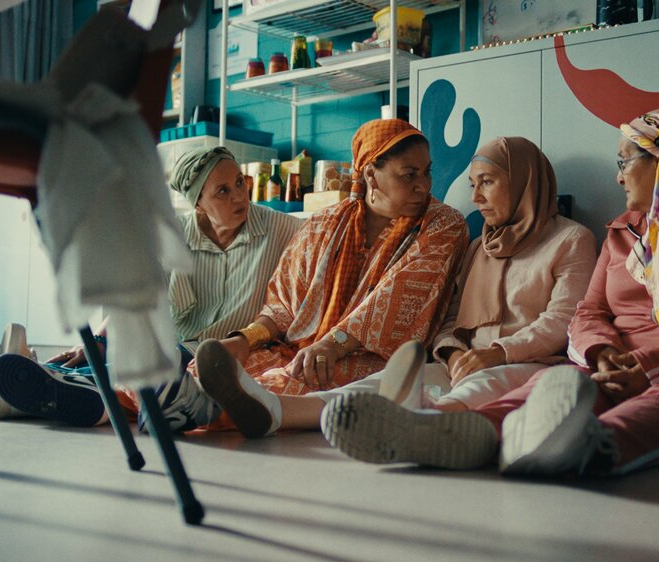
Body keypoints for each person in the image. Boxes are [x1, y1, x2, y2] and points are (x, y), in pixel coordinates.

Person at [320, 108, 659, 474]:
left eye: (625, 161)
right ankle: (446, 433)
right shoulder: (623, 232)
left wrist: (652, 367)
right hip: (618, 368)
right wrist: (602, 356)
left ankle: (582, 447)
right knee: (548, 388)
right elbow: (587, 314)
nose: (617, 176)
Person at [193, 136, 596, 437]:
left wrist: (496, 353)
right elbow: (453, 317)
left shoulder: (567, 239)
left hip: (512, 361)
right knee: (383, 386)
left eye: (486, 183)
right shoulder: (483, 246)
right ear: (370, 175)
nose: (474, 197)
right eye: (410, 174)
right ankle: (259, 409)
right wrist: (453, 351)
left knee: (451, 389)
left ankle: (415, 430)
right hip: (461, 359)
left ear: (525, 181)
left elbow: (563, 320)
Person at [181, 118, 469, 438]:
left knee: (285, 382)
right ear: (371, 174)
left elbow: (398, 298)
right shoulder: (324, 223)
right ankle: (176, 406)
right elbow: (283, 304)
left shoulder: (443, 224)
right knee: (201, 371)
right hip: (300, 346)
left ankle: (192, 411)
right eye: (409, 174)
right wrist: (244, 340)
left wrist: (332, 345)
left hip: (367, 355)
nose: (423, 186)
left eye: (426, 172)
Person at [0, 146, 303, 426]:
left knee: (153, 363)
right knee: (103, 356)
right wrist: (96, 341)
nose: (239, 197)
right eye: (223, 191)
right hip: (172, 343)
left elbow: (319, 237)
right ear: (198, 203)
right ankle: (18, 377)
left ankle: (11, 383)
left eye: (240, 183)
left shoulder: (278, 227)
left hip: (213, 351)